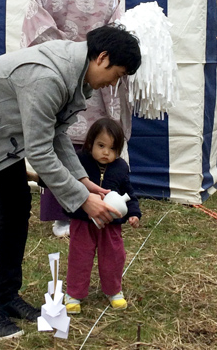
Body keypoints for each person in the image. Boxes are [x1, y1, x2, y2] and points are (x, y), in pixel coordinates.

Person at [0, 24, 141, 339]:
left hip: (2, 135)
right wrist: (83, 201)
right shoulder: (48, 77)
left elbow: (56, 133)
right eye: (118, 73)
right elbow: (41, 152)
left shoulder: (74, 71)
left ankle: (7, 296)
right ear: (103, 57)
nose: (115, 82)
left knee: (17, 207)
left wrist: (83, 181)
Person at [22, 0, 132, 238]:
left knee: (93, 139)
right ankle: (59, 213)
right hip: (61, 73)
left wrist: (103, 62)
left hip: (98, 79)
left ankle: (98, 201)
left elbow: (116, 28)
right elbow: (37, 31)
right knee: (58, 137)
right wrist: (73, 60)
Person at [62, 117, 141, 314]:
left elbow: (128, 193)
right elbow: (67, 185)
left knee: (114, 257)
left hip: (111, 224)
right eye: (101, 145)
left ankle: (114, 290)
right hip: (83, 220)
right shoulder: (80, 162)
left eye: (113, 149)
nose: (106, 152)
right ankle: (74, 293)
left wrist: (133, 213)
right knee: (80, 256)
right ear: (90, 143)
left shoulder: (121, 167)